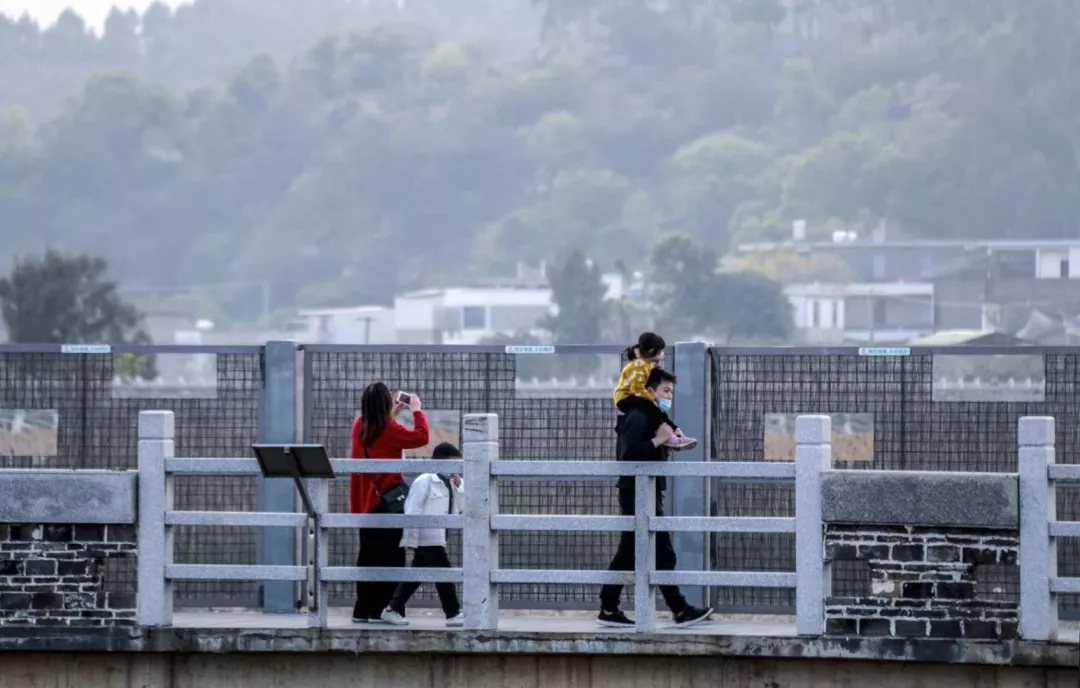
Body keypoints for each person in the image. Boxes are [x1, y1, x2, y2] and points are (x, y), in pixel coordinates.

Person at [599, 367, 714, 628]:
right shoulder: (639, 415)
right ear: (649, 390)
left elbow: (646, 449)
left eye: (672, 391)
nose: (669, 396)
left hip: (647, 492)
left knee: (630, 552)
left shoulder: (653, 415)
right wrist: (659, 440)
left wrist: (667, 442)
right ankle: (680, 609)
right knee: (661, 551)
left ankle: (609, 607)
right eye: (665, 390)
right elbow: (629, 457)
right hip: (635, 493)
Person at [349, 382, 430, 624]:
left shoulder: (358, 426)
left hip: (364, 504)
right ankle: (384, 610)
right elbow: (422, 437)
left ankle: (362, 611)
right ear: (385, 404)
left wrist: (392, 414)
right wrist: (416, 410)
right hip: (387, 504)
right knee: (392, 557)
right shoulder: (389, 429)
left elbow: (378, 432)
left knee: (368, 557)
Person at [379, 442, 465, 627]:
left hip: (439, 537)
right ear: (444, 461)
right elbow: (412, 510)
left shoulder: (450, 483)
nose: (457, 467)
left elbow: (461, 508)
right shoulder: (425, 479)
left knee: (417, 576)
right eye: (455, 462)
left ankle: (392, 609)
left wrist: (460, 486)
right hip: (426, 537)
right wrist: (411, 539)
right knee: (445, 574)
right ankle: (453, 613)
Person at [613, 332, 697, 451]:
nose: (670, 396)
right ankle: (671, 436)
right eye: (661, 351)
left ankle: (675, 433)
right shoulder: (639, 366)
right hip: (626, 398)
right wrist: (653, 399)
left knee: (656, 411)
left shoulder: (645, 364)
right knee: (653, 410)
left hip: (635, 395)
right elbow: (637, 389)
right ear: (653, 351)